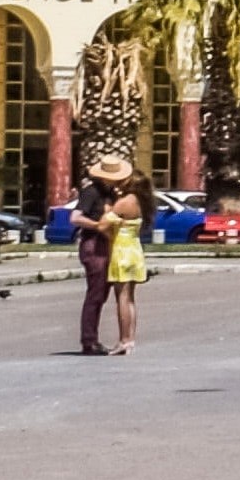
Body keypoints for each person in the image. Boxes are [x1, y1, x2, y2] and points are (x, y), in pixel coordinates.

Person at [70, 153, 133, 358]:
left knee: (101, 292)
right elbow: (76, 217)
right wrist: (97, 226)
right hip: (93, 244)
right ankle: (88, 340)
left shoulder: (110, 193)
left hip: (107, 244)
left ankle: (92, 338)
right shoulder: (91, 192)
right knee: (95, 293)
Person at [105, 170, 154, 353]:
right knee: (131, 298)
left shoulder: (124, 203)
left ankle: (123, 339)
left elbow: (103, 224)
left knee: (122, 298)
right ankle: (131, 339)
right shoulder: (142, 204)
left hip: (122, 250)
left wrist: (107, 214)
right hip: (135, 250)